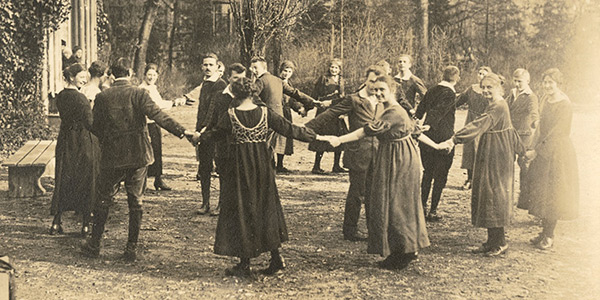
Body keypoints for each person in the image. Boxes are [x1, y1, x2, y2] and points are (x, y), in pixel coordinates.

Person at [193, 77, 331, 276]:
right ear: (253, 93)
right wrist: (316, 137)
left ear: (234, 94)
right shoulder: (266, 113)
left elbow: (215, 134)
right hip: (263, 168)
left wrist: (198, 137)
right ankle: (276, 258)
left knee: (243, 208)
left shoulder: (230, 115)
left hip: (239, 168)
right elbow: (290, 129)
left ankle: (244, 263)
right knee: (265, 207)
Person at [81, 57, 195, 261]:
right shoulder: (139, 93)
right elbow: (159, 116)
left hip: (112, 157)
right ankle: (131, 249)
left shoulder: (103, 97)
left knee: (104, 199)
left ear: (112, 75)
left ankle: (95, 244)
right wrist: (184, 132)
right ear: (131, 73)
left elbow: (95, 127)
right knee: (136, 201)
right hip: (138, 155)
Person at [327, 75, 441, 270]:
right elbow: (415, 131)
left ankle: (404, 252)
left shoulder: (394, 112)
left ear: (392, 90)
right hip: (394, 154)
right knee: (395, 203)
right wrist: (437, 146)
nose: (378, 93)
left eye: (382, 90)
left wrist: (339, 140)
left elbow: (365, 131)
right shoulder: (389, 108)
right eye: (375, 90)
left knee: (396, 204)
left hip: (399, 158)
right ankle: (403, 249)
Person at [441, 73, 524, 257]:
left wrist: (455, 139)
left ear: (499, 88)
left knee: (494, 193)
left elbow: (479, 124)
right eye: (483, 87)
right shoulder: (495, 104)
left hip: (498, 153)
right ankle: (491, 240)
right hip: (491, 149)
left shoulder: (499, 105)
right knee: (488, 192)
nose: (486, 91)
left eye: (490, 87)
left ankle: (500, 242)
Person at [305, 65, 385, 242]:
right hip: (358, 153)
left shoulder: (382, 100)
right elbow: (330, 113)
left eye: (378, 82)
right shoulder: (354, 100)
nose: (374, 86)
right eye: (372, 81)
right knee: (357, 193)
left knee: (374, 193)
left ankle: (375, 231)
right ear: (365, 80)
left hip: (378, 154)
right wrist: (307, 128)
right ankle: (350, 230)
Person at [519, 68, 579, 250]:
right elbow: (540, 127)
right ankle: (543, 232)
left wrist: (537, 151)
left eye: (551, 83)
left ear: (558, 84)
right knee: (542, 192)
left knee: (553, 193)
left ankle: (550, 235)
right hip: (543, 148)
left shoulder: (565, 103)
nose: (547, 86)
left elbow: (557, 132)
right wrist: (532, 145)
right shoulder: (545, 99)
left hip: (557, 152)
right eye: (545, 82)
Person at [50, 63, 100, 236]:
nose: (84, 79)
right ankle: (86, 224)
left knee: (64, 178)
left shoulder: (60, 96)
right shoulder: (81, 99)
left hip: (65, 140)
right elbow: (90, 122)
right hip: (82, 141)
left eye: (85, 77)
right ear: (72, 77)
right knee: (86, 179)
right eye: (81, 77)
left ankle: (56, 222)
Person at [415, 66, 460, 222]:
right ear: (456, 78)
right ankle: (433, 210)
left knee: (427, 173)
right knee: (440, 176)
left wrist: (419, 121)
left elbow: (420, 108)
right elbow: (439, 111)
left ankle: (422, 206)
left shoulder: (432, 90)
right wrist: (429, 123)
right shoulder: (450, 93)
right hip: (443, 137)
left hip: (427, 138)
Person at [249, 56, 320, 154]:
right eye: (252, 67)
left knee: (264, 149)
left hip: (266, 119)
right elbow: (295, 93)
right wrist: (312, 101)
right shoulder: (278, 80)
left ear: (264, 67)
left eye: (255, 67)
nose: (252, 70)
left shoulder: (260, 81)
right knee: (271, 148)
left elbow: (251, 98)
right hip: (279, 118)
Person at [205, 62, 248, 217]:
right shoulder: (220, 96)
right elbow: (211, 117)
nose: (239, 82)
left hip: (241, 142)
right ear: (229, 77)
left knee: (241, 175)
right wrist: (204, 132)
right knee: (223, 173)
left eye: (242, 79)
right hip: (223, 142)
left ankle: (240, 208)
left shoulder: (247, 95)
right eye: (236, 78)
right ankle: (222, 204)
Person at [195, 53, 228, 215]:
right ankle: (205, 202)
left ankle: (221, 204)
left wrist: (205, 129)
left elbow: (213, 110)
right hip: (204, 132)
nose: (207, 68)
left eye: (210, 65)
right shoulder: (205, 84)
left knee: (221, 168)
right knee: (204, 167)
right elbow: (201, 111)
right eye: (205, 65)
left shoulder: (220, 84)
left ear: (217, 66)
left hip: (217, 132)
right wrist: (198, 129)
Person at [139, 63, 178, 191]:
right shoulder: (142, 89)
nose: (151, 77)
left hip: (155, 123)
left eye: (154, 75)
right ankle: (143, 181)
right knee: (146, 152)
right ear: (144, 75)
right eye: (149, 74)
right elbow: (157, 106)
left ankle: (158, 179)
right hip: (146, 124)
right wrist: (172, 103)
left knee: (157, 150)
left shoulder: (153, 88)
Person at [308, 58, 348, 174]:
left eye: (336, 68)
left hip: (336, 111)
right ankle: (316, 166)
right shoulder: (323, 79)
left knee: (339, 136)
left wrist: (342, 112)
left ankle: (336, 165)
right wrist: (314, 104)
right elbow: (315, 94)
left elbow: (342, 97)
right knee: (322, 137)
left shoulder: (341, 80)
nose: (333, 69)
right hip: (324, 111)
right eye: (332, 67)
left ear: (340, 69)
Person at [455, 66, 492, 189]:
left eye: (484, 74)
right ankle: (469, 179)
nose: (481, 76)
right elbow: (458, 101)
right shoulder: (472, 89)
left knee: (482, 149)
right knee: (469, 150)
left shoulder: (490, 91)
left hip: (484, 122)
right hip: (471, 120)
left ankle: (481, 180)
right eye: (479, 73)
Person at [506, 68, 539, 203]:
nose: (517, 84)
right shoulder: (512, 93)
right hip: (510, 133)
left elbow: (534, 112)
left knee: (524, 165)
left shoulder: (531, 96)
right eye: (515, 81)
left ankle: (525, 198)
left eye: (520, 81)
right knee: (507, 163)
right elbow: (504, 107)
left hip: (524, 135)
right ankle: (506, 194)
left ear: (528, 81)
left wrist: (536, 123)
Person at [276, 60, 306, 173]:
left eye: (289, 71)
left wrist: (299, 108)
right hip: (277, 112)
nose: (286, 73)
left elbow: (292, 100)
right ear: (280, 71)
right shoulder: (276, 82)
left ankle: (280, 164)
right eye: (284, 71)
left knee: (284, 138)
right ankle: (271, 163)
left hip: (286, 113)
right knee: (275, 138)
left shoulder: (289, 85)